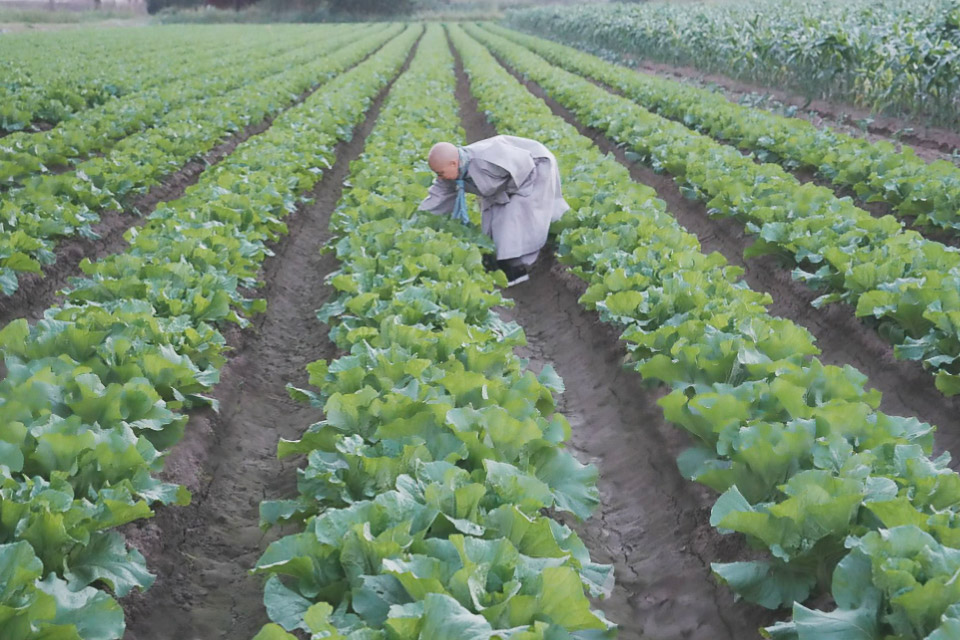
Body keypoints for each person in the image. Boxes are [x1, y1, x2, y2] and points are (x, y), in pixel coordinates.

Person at [418, 135, 569, 286]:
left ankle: (516, 269)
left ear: (453, 163)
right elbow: (437, 198)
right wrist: (419, 222)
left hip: (534, 166)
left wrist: (506, 194)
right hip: (506, 180)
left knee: (515, 216)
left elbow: (525, 166)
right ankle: (504, 263)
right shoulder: (451, 173)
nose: (440, 177)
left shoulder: (486, 159)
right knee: (492, 220)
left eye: (440, 173)